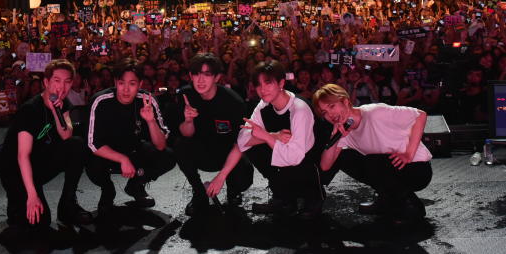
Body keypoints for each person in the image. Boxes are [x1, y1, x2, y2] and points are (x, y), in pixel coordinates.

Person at [209, 60, 321, 219]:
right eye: (258, 84)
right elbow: (241, 142)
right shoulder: (263, 105)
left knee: (263, 140)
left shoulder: (299, 109)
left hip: (307, 162)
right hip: (285, 158)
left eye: (268, 83)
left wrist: (267, 136)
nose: (262, 89)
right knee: (253, 144)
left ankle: (311, 196)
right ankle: (282, 196)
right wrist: (221, 176)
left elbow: (295, 156)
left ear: (281, 83)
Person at [315, 84, 432, 223]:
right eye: (324, 113)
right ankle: (385, 198)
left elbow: (420, 115)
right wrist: (335, 136)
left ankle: (411, 205)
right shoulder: (344, 131)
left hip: (417, 169)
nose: (330, 115)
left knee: (373, 161)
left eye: (332, 107)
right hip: (389, 167)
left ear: (345, 101)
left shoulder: (375, 112)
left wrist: (409, 153)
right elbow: (325, 166)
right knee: (344, 157)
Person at [0, 59, 94, 232]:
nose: (62, 87)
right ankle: (16, 202)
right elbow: (22, 155)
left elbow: (66, 135)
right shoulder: (30, 109)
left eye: (67, 82)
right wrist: (32, 195)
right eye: (57, 81)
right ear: (46, 82)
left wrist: (55, 112)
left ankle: (68, 204)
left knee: (76, 145)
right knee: (39, 222)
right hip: (16, 170)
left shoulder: (62, 105)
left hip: (39, 163)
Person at [85, 58, 175, 211]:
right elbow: (93, 144)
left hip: (134, 149)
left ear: (140, 84)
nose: (126, 89)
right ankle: (107, 190)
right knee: (89, 159)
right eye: (121, 83)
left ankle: (136, 185)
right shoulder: (100, 101)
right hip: (107, 153)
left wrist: (151, 121)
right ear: (115, 82)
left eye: (132, 84)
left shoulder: (147, 100)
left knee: (168, 156)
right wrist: (122, 159)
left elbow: (160, 145)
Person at [173, 53, 253, 215]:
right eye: (196, 74)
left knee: (244, 175)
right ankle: (199, 193)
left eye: (207, 74)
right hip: (201, 151)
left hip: (227, 152)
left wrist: (221, 177)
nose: (200, 80)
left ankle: (233, 192)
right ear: (190, 76)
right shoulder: (185, 95)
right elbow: (185, 135)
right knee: (180, 146)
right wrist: (188, 120)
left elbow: (241, 143)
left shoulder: (233, 102)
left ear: (217, 77)